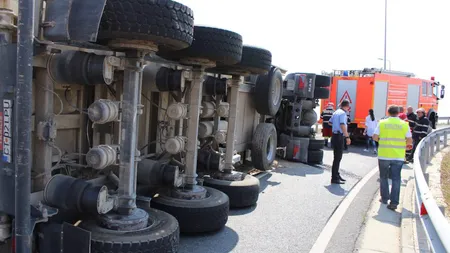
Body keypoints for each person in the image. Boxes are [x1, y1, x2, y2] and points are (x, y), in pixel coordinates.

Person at [372, 105, 413, 211]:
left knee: (383, 177)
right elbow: (409, 140)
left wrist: (382, 140)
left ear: (388, 112)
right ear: (398, 113)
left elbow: (375, 137)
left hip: (384, 155)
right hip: (398, 156)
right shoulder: (404, 124)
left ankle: (385, 198)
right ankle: (394, 203)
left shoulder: (382, 123)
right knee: (396, 179)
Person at [328, 99, 351, 184]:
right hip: (339, 136)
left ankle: (336, 175)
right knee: (338, 158)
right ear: (347, 106)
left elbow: (330, 123)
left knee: (336, 157)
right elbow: (342, 125)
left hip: (334, 135)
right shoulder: (343, 114)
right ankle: (334, 178)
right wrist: (347, 136)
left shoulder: (336, 112)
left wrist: (335, 125)